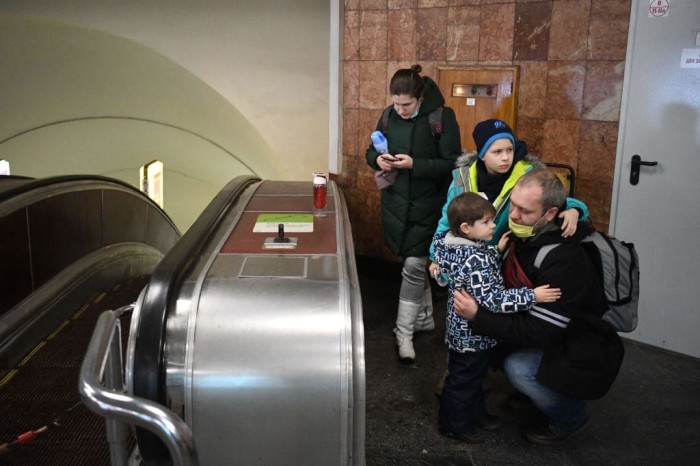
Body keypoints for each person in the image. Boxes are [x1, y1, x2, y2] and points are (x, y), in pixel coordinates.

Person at [453, 168, 624, 445]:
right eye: (514, 207)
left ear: (550, 214)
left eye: (526, 211)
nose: (514, 216)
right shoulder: (524, 234)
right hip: (540, 323)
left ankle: (570, 416)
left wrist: (478, 316)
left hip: (577, 340)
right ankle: (536, 392)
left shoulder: (564, 259)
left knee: (519, 368)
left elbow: (542, 331)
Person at [433, 191, 561, 443]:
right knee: (463, 382)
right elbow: (494, 299)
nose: (494, 225)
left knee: (475, 378)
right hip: (473, 334)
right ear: (466, 227)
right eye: (488, 222)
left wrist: (495, 251)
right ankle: (453, 425)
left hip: (461, 330)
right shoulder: (476, 259)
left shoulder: (448, 244)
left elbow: (468, 266)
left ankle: (476, 414)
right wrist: (532, 296)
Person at [365, 64, 461, 364]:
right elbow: (370, 150)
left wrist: (414, 165)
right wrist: (378, 159)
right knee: (412, 262)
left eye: (406, 104)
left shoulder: (441, 117)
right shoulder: (388, 114)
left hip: (428, 205)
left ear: (420, 98)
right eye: (396, 103)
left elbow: (451, 163)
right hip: (395, 201)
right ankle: (426, 318)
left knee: (413, 264)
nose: (400, 110)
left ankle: (403, 332)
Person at [429, 118, 589, 278]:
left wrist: (574, 210)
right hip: (469, 263)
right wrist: (436, 256)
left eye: (510, 150)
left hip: (507, 262)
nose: (505, 157)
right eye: (497, 152)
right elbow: (447, 221)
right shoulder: (461, 180)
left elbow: (555, 199)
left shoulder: (526, 175)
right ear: (483, 154)